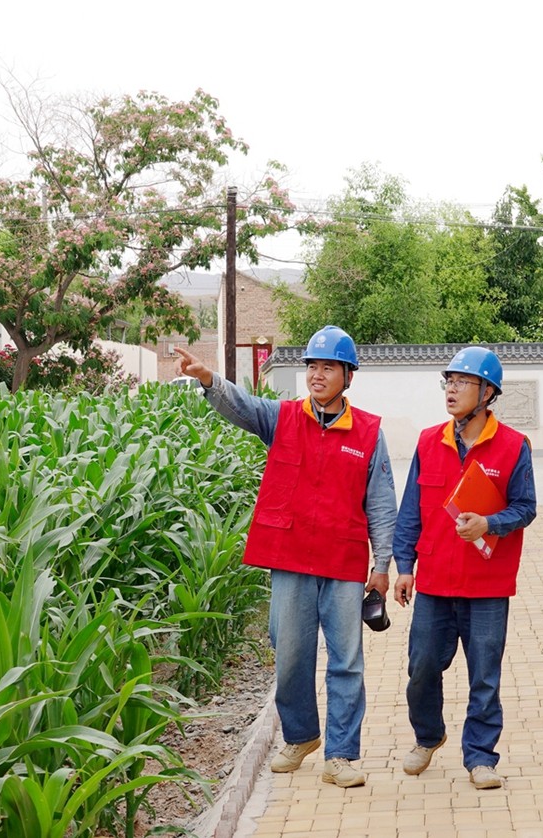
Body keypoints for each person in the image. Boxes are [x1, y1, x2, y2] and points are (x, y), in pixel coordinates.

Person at [173, 326, 396, 789]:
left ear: (348, 376)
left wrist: (381, 566)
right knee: (290, 655)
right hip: (291, 556)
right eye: (312, 366)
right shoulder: (284, 417)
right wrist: (208, 378)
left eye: (328, 367)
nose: (316, 375)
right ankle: (300, 735)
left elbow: (380, 502)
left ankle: (341, 753)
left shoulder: (370, 432)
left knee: (346, 660)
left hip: (342, 562)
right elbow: (243, 407)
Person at [392, 345, 537, 790]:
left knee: (485, 677)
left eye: (462, 382)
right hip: (435, 581)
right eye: (448, 381)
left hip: (487, 586)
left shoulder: (513, 446)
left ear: (487, 391)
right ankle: (428, 736)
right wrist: (404, 565)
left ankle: (480, 757)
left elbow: (526, 508)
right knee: (421, 668)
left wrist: (490, 523)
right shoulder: (428, 440)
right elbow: (411, 510)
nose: (451, 389)